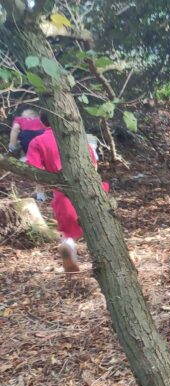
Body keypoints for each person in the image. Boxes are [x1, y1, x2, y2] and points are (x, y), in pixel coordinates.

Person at [24, 111, 109, 273]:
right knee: (98, 225)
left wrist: (43, 187)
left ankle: (69, 248)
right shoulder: (76, 139)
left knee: (69, 232)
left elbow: (33, 170)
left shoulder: (37, 142)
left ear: (43, 123)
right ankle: (105, 259)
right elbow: (93, 165)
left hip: (62, 192)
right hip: (88, 189)